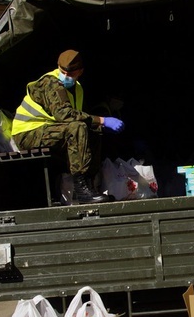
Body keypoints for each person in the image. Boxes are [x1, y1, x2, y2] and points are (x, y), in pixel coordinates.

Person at [12, 49, 125, 204]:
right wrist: (102, 120)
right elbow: (64, 115)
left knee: (92, 130)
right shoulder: (50, 83)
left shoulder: (77, 89)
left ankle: (90, 185)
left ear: (80, 72)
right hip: (28, 134)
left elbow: (78, 117)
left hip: (48, 131)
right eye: (62, 71)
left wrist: (98, 124)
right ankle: (81, 189)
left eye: (70, 73)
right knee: (77, 128)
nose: (65, 76)